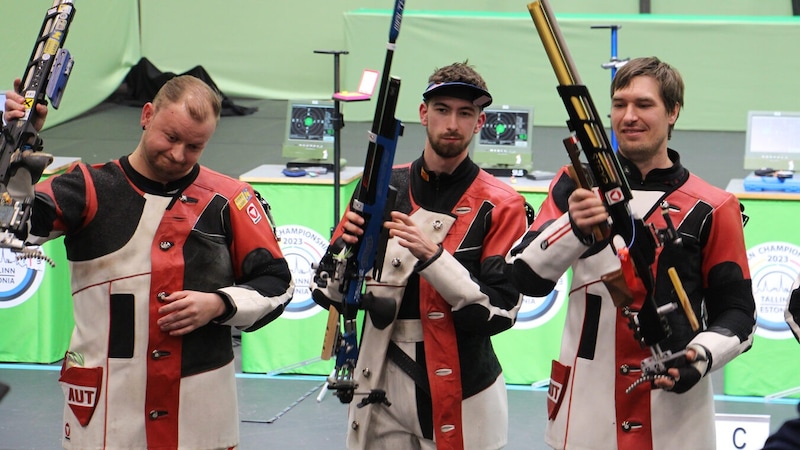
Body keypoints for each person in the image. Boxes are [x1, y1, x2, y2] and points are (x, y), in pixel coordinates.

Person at [3, 75, 294, 449]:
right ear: (146, 115)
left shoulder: (230, 199)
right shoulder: (87, 186)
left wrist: (218, 304)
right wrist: (13, 145)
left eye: (194, 146)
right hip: (107, 407)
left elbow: (278, 283)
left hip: (200, 407)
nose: (178, 154)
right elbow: (10, 222)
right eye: (171, 137)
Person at [507, 57, 757, 449]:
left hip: (676, 419)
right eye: (620, 104)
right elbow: (524, 278)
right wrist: (573, 228)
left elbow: (740, 313)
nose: (629, 116)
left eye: (644, 105)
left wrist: (700, 356)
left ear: (673, 112)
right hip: (585, 412)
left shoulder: (715, 206)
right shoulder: (575, 185)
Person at [311, 61, 529, 449]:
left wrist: (434, 259)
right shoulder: (379, 185)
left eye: (466, 113)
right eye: (442, 109)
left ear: (480, 123)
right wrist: (346, 249)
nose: (452, 123)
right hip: (377, 378)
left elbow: (500, 311)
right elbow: (328, 294)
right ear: (423, 114)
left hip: (466, 387)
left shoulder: (502, 204)